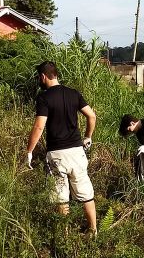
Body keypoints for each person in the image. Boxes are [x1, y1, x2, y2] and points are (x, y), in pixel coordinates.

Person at [26, 61, 97, 233]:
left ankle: (64, 236)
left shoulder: (44, 98)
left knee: (61, 197)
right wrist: (87, 137)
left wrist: (29, 151)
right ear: (56, 74)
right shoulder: (73, 93)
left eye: (39, 77)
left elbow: (39, 127)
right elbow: (91, 116)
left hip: (57, 154)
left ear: (43, 76)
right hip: (77, 152)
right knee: (86, 194)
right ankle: (94, 231)